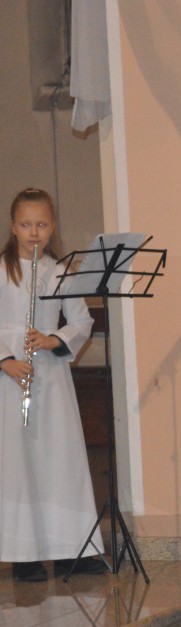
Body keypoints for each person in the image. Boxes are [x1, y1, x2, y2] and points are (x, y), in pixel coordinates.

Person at [0, 187, 108, 582]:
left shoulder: (61, 272)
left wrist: (53, 339)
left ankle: (69, 549)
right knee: (19, 465)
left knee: (60, 461)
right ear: (13, 227)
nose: (34, 232)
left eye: (42, 225)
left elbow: (81, 321)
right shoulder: (1, 270)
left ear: (52, 228)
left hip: (50, 374)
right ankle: (24, 555)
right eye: (26, 225)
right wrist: (5, 360)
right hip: (10, 379)